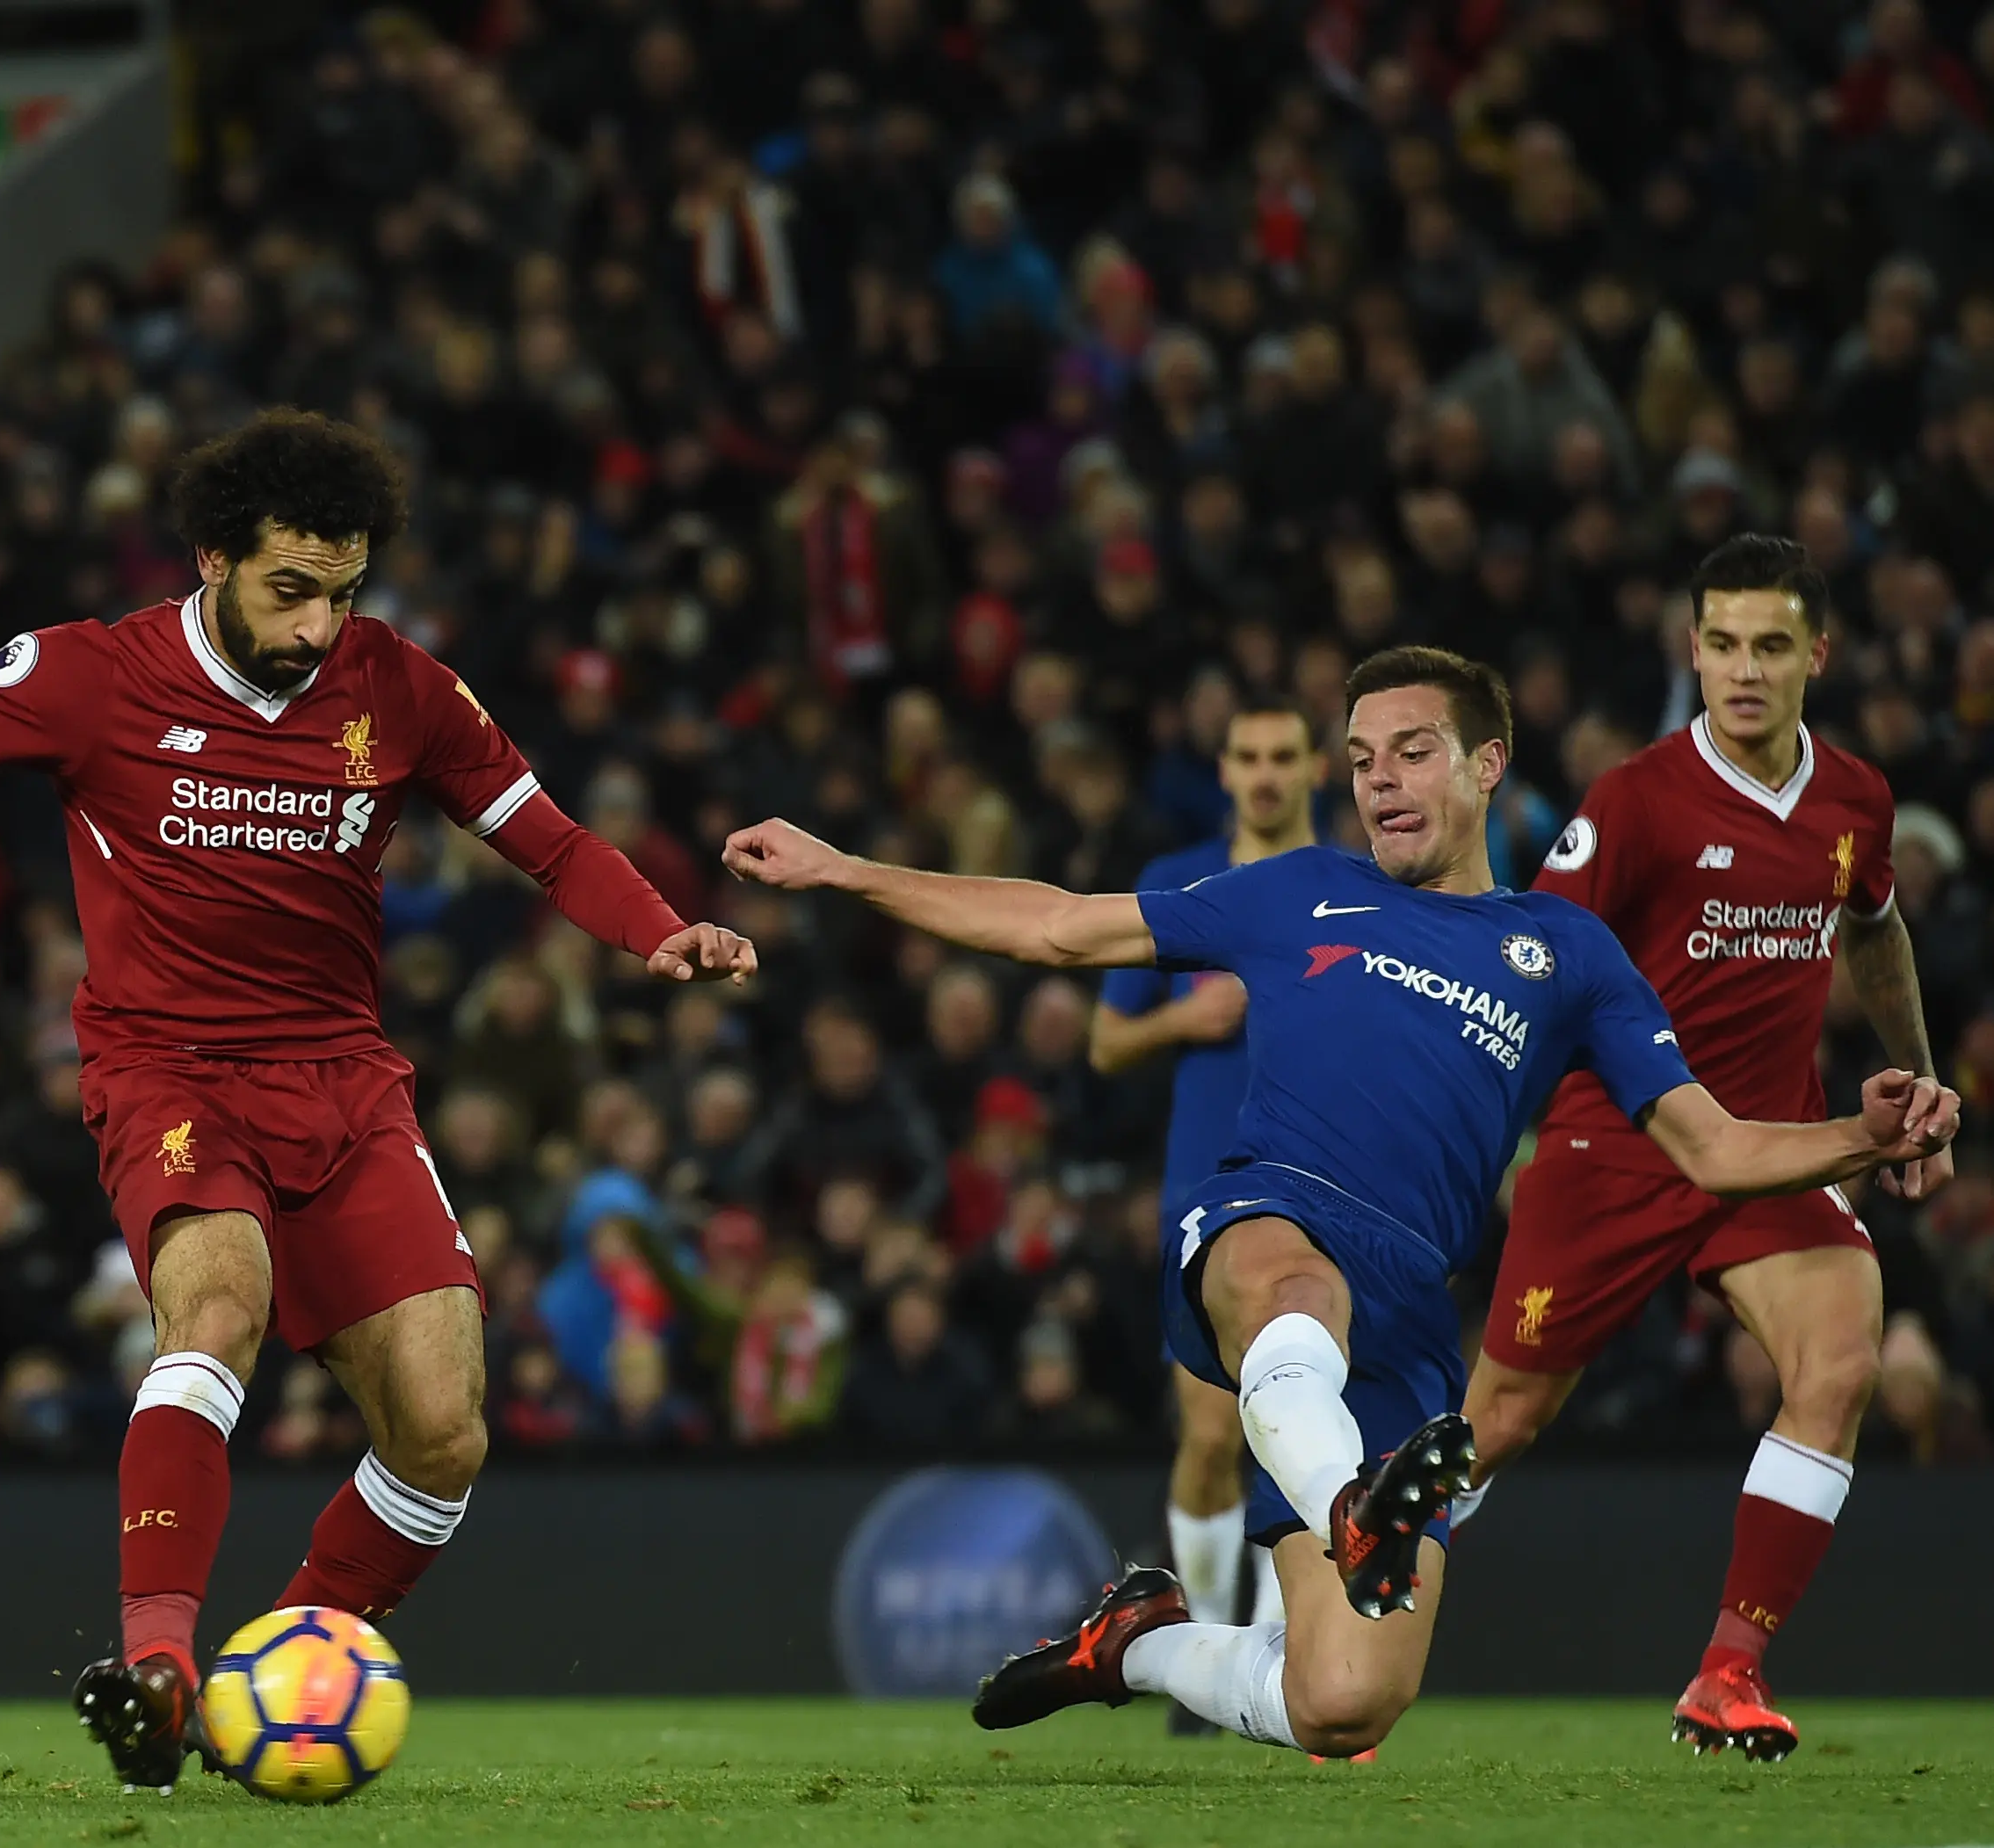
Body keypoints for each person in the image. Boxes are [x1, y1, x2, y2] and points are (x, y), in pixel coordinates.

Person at [0, 410, 756, 1791]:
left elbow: (549, 843)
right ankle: (157, 1658)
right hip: (168, 1070)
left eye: (342, 589)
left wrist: (661, 929)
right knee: (216, 1307)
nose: (320, 624)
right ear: (213, 558)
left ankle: (276, 1665)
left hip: (345, 1083)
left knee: (443, 1429)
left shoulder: (406, 691)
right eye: (289, 588)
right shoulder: (90, 673)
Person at [720, 645, 1956, 1760]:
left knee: (1342, 1700)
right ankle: (1347, 1502)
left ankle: (1136, 1640)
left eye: (1411, 750)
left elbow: (1712, 1146)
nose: (1380, 779)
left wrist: (1859, 1130)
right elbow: (1055, 927)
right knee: (1289, 1284)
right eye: (1360, 758)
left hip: (1406, 1313)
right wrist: (844, 868)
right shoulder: (1296, 887)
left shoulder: (1567, 954)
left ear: (1487, 764)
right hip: (1268, 1213)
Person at [1461, 535, 1948, 1761]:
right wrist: (1479, 1134)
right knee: (1497, 1425)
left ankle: (1728, 1671)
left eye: (1770, 646)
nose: (1743, 669)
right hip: (1616, 1141)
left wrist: (1920, 1074)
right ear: (1692, 650)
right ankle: (1330, 1624)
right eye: (1721, 644)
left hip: (1775, 1142)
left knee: (1839, 1361)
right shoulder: (1633, 799)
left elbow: (1873, 930)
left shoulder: (1854, 800)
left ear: (1815, 656)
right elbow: (1536, 968)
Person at [1090, 698, 1319, 1735]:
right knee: (1207, 1432)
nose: (1265, 774)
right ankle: (1215, 1631)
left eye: (1282, 756)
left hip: (1323, 1177)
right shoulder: (1175, 883)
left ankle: (1282, 1650)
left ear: (1314, 765)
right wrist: (1189, 1013)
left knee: (1299, 1426)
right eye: (1247, 756)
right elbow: (1104, 1046)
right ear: (1222, 770)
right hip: (1201, 1185)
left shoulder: (1355, 887)